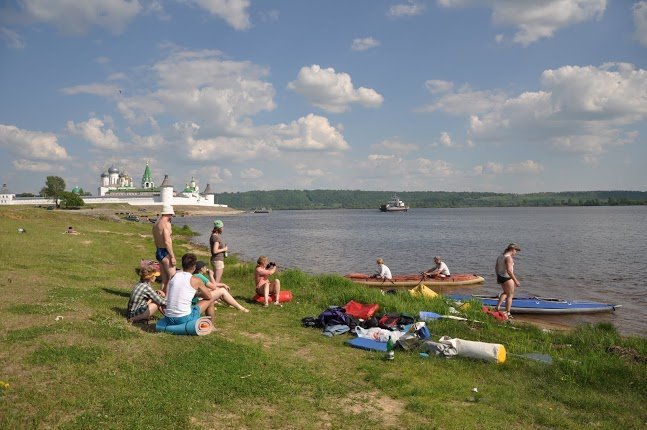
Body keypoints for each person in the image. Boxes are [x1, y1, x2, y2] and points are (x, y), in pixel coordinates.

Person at [164, 253, 216, 323]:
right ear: (194, 267)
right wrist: (198, 294)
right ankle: (211, 325)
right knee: (211, 300)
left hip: (168, 317)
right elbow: (209, 296)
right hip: (183, 318)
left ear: (182, 265)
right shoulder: (195, 280)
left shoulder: (174, 276)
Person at [153, 204, 177, 293]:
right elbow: (167, 242)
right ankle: (167, 297)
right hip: (165, 251)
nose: (171, 217)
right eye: (171, 215)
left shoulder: (156, 224)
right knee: (172, 277)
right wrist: (172, 256)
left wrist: (158, 249)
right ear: (169, 214)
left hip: (159, 250)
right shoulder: (166, 224)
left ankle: (162, 295)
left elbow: (156, 239)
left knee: (164, 278)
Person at [495, 243, 521, 319]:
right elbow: (509, 271)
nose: (516, 252)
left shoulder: (500, 256)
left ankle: (497, 307)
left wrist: (497, 277)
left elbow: (496, 267)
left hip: (500, 276)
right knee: (510, 295)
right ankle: (508, 312)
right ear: (512, 249)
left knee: (505, 292)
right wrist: (516, 281)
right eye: (516, 250)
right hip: (507, 278)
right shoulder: (508, 258)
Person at [210, 219, 229, 284]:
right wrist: (224, 249)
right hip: (218, 260)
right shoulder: (216, 238)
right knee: (217, 281)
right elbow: (215, 251)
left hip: (215, 260)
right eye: (222, 227)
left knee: (217, 279)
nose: (223, 229)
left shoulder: (213, 236)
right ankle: (213, 290)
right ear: (219, 228)